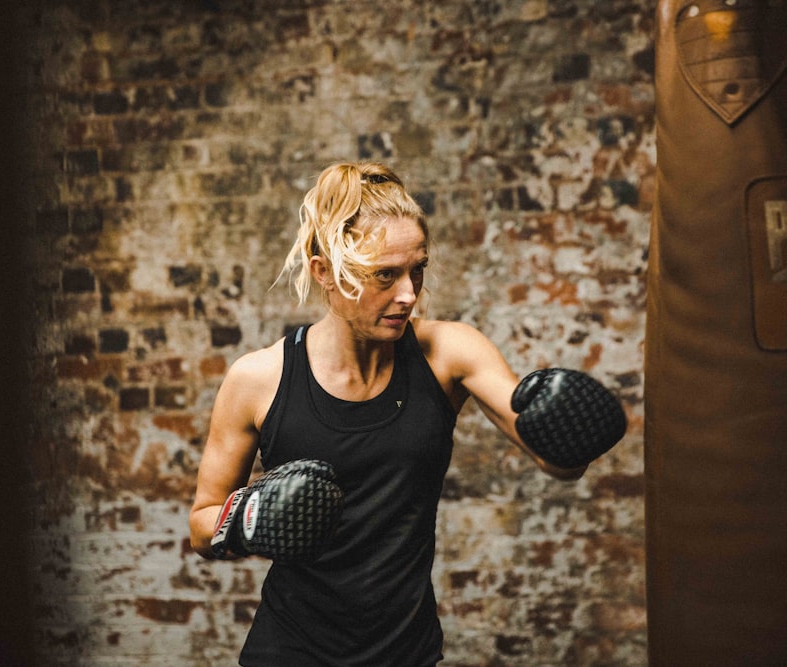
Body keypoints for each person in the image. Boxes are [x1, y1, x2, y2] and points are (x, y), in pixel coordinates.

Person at [189, 161, 622, 666]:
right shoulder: (258, 379)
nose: (408, 294)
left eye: (417, 269)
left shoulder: (449, 353)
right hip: (288, 652)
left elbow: (556, 461)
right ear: (324, 271)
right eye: (384, 276)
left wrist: (567, 436)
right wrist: (249, 520)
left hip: (407, 652)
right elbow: (202, 525)